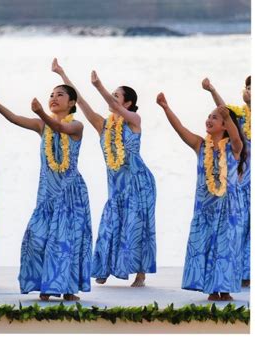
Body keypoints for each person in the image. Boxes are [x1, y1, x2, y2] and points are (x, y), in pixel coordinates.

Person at [0, 83, 92, 301]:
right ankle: (45, 283)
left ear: (71, 103)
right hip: (47, 194)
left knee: (66, 241)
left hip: (70, 194)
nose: (54, 98)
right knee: (36, 239)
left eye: (60, 95)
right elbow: (14, 118)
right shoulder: (42, 126)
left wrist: (41, 112)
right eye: (51, 95)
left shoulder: (77, 125)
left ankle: (67, 289)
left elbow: (62, 129)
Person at [52, 58, 156, 287]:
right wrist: (62, 74)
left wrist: (99, 86)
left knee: (137, 224)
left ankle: (140, 273)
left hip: (139, 183)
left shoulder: (134, 122)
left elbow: (116, 107)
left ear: (127, 103)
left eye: (116, 96)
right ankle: (104, 268)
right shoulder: (102, 125)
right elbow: (79, 101)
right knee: (110, 223)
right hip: (116, 186)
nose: (112, 98)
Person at [156, 92, 246, 301]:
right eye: (209, 116)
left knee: (225, 247)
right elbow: (180, 129)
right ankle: (212, 289)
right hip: (205, 208)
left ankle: (225, 289)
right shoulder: (200, 145)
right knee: (205, 245)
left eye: (215, 117)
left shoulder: (234, 149)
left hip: (228, 209)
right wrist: (166, 108)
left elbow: (235, 137)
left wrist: (230, 118)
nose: (209, 119)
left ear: (224, 125)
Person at [202, 76, 251, 288]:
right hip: (239, 175)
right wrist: (212, 89)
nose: (249, 91)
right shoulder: (239, 115)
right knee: (240, 225)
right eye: (248, 87)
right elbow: (223, 112)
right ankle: (241, 273)